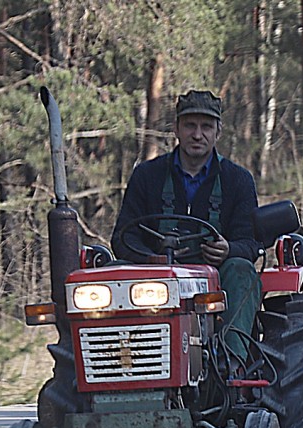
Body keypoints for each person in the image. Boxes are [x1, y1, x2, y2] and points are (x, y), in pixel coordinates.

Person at [111, 90, 262, 364]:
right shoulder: (147, 175)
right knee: (109, 274)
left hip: (216, 277)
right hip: (153, 276)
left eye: (206, 127)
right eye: (190, 125)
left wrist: (228, 250)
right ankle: (118, 362)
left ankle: (230, 365)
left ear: (218, 132)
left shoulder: (238, 180)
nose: (197, 134)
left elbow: (251, 244)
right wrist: (150, 259)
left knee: (242, 271)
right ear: (176, 129)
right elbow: (123, 237)